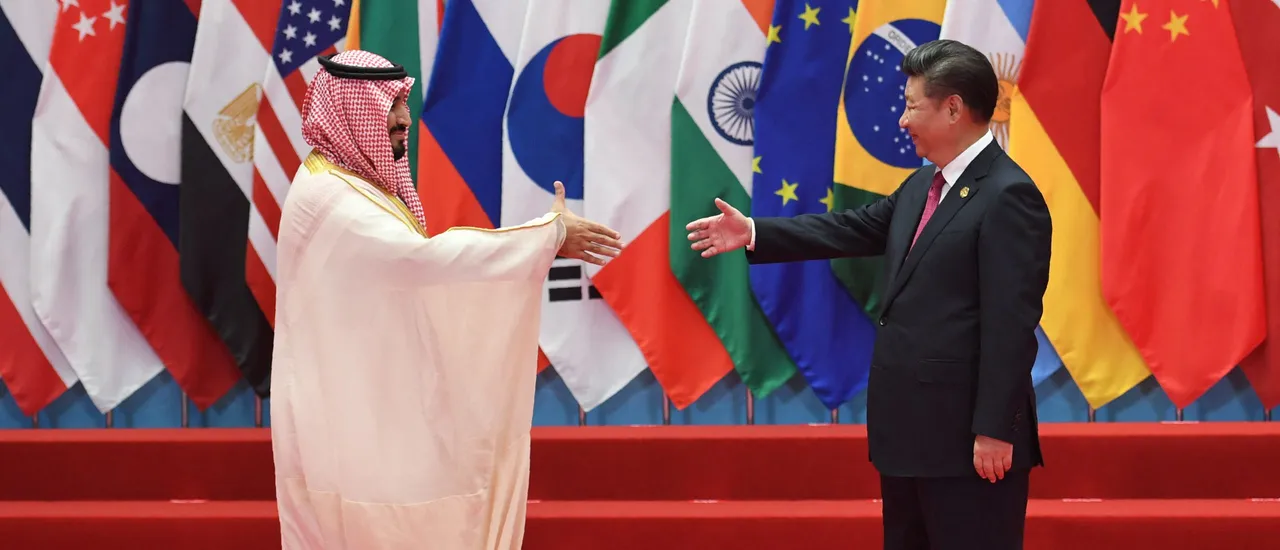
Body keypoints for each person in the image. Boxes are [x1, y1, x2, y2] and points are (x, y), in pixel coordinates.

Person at [687, 39, 1052, 549]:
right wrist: (753, 231)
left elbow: (1010, 325)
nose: (902, 121)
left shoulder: (1009, 195)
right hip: (909, 439)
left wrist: (995, 428)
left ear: (953, 108)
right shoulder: (923, 185)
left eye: (911, 106)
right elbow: (852, 228)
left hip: (969, 443)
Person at [269, 50, 622, 549]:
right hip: (347, 416)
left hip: (366, 403)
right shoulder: (330, 198)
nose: (403, 120)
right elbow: (422, 260)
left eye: (403, 104)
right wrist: (546, 235)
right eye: (390, 106)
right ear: (352, 110)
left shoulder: (349, 184)